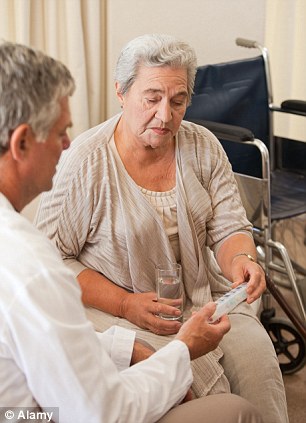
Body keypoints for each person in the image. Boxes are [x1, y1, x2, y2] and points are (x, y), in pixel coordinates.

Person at [0, 40, 264, 423]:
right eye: (60, 132)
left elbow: (50, 345)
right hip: (54, 394)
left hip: (195, 300)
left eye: (178, 101)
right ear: (121, 92)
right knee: (233, 409)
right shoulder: (34, 262)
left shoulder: (202, 146)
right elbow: (97, 411)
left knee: (257, 362)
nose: (67, 144)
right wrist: (173, 350)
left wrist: (242, 258)